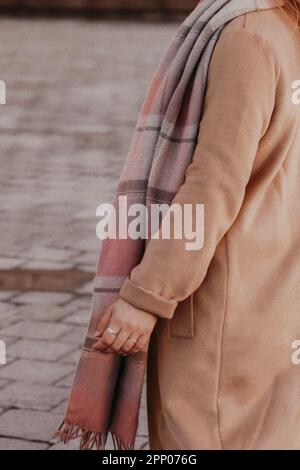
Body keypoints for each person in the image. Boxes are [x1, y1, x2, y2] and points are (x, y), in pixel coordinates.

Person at [91, 0, 300, 450]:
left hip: (221, 301)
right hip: (277, 293)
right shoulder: (285, 29)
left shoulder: (246, 34)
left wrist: (148, 295)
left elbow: (214, 183)